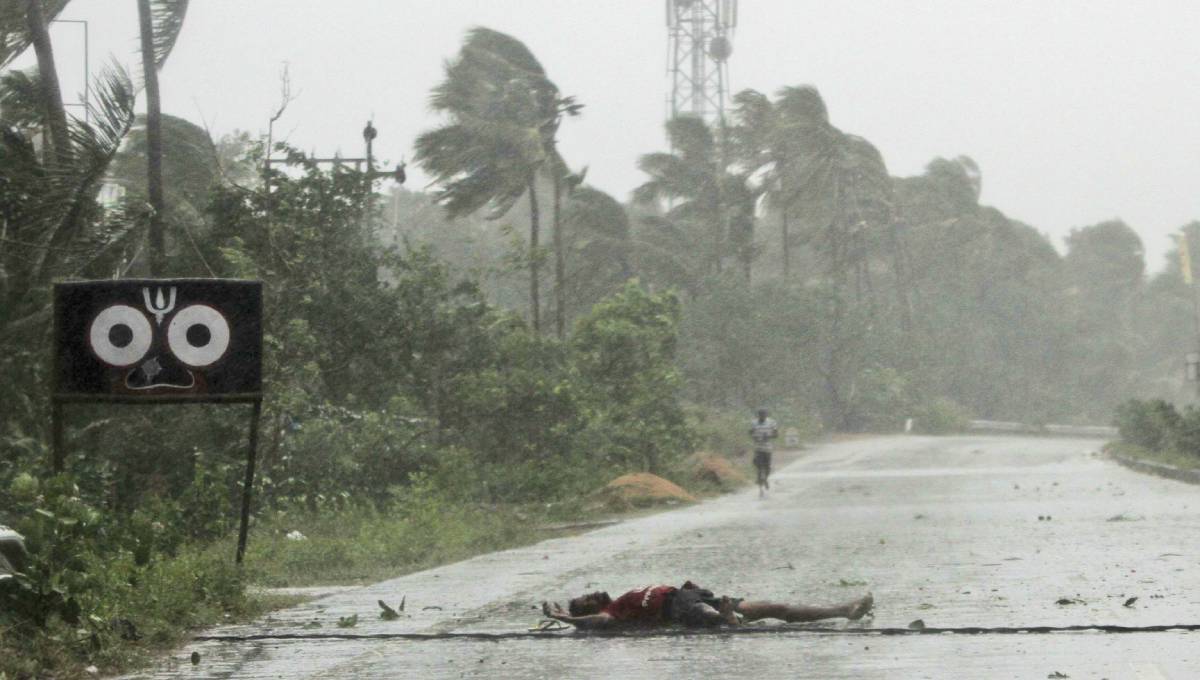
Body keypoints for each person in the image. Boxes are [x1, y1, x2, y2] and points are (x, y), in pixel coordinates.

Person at [541, 580, 873, 630]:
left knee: (775, 607)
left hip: (690, 595)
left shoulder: (620, 598)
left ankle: (844, 610)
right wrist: (565, 617)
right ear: (588, 608)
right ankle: (726, 619)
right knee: (714, 618)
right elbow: (597, 624)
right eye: (583, 600)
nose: (590, 593)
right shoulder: (609, 613)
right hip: (678, 610)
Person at [749, 408, 779, 494]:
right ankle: (759, 479)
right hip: (757, 447)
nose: (762, 417)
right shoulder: (754, 423)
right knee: (758, 464)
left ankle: (765, 478)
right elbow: (750, 432)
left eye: (763, 415)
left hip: (767, 448)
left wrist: (769, 436)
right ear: (758, 416)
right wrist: (754, 435)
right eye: (760, 415)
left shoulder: (771, 422)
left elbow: (776, 434)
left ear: (766, 415)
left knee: (767, 466)